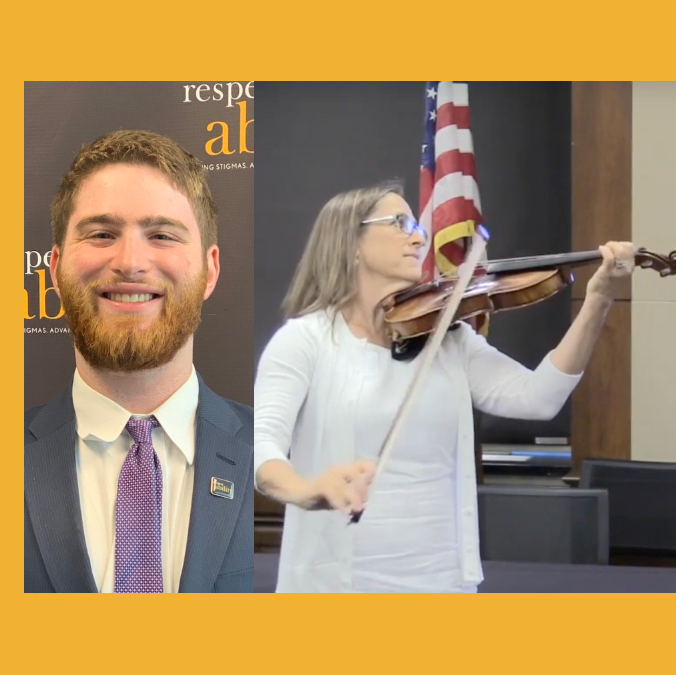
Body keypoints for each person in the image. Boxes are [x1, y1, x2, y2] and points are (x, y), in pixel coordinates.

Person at [254, 180, 635, 593]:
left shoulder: (448, 338)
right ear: (352, 242)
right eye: (400, 223)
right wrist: (307, 489)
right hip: (337, 580)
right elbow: (261, 448)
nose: (419, 235)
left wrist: (598, 300)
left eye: (417, 224)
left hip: (441, 578)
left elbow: (539, 398)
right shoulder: (305, 341)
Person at [24, 130, 254, 593]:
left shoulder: (273, 453)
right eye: (102, 234)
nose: (130, 262)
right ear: (55, 268)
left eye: (162, 235)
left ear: (210, 270)